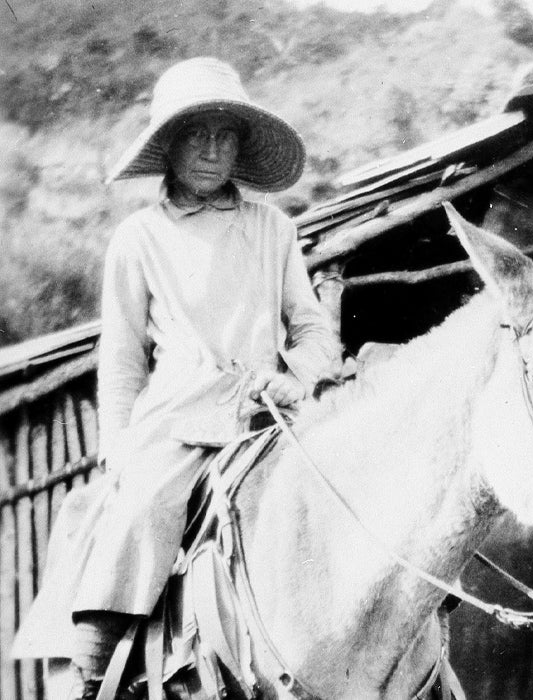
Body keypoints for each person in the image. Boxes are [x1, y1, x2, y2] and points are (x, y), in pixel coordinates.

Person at [13, 57, 340, 699]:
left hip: (266, 414)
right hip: (178, 423)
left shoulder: (273, 229)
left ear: (242, 146)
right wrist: (118, 449)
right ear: (170, 144)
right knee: (135, 510)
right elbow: (123, 359)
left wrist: (296, 378)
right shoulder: (138, 238)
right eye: (198, 133)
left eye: (226, 134)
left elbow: (312, 330)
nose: (213, 149)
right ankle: (93, 673)